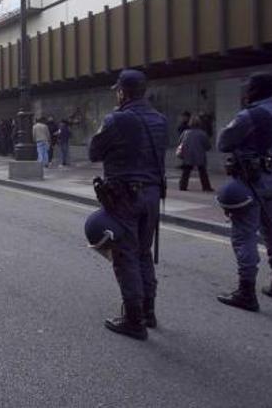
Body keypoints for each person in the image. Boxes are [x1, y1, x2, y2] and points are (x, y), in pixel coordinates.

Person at [88, 70, 167, 341]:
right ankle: (149, 311)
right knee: (144, 252)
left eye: (117, 91)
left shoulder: (117, 119)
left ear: (123, 92)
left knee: (125, 255)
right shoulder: (159, 119)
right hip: (153, 195)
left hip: (125, 196)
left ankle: (134, 320)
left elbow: (93, 151)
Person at [216, 72, 272, 312]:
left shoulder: (251, 114)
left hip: (252, 179)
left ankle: (246, 290)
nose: (245, 92)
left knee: (244, 235)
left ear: (255, 90)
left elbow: (223, 142)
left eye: (247, 88)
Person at [177, 116, 213, 192]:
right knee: (202, 172)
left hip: (187, 155)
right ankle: (206, 187)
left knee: (186, 172)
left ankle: (182, 186)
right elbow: (208, 146)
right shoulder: (202, 134)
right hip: (199, 155)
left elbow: (180, 142)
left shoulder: (185, 133)